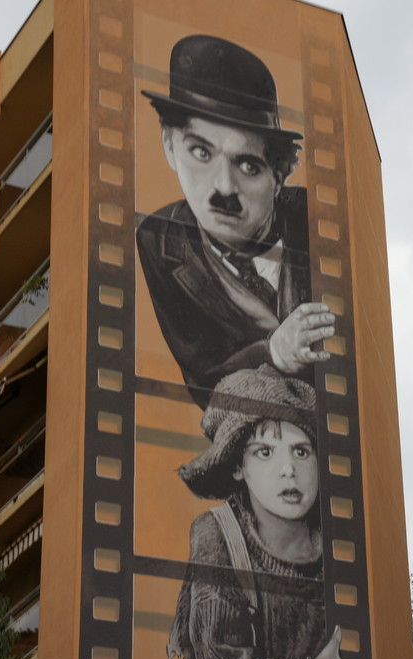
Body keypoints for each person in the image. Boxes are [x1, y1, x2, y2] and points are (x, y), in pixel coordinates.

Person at [138, 35, 335, 406]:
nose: (224, 187)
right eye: (201, 152)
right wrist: (272, 353)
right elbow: (203, 383)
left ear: (279, 175)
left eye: (248, 166)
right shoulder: (159, 241)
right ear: (168, 145)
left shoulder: (319, 223)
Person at [167, 365, 359, 659]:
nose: (288, 470)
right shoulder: (217, 536)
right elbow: (216, 657)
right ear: (237, 466)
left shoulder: (338, 543)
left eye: (301, 451)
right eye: (266, 452)